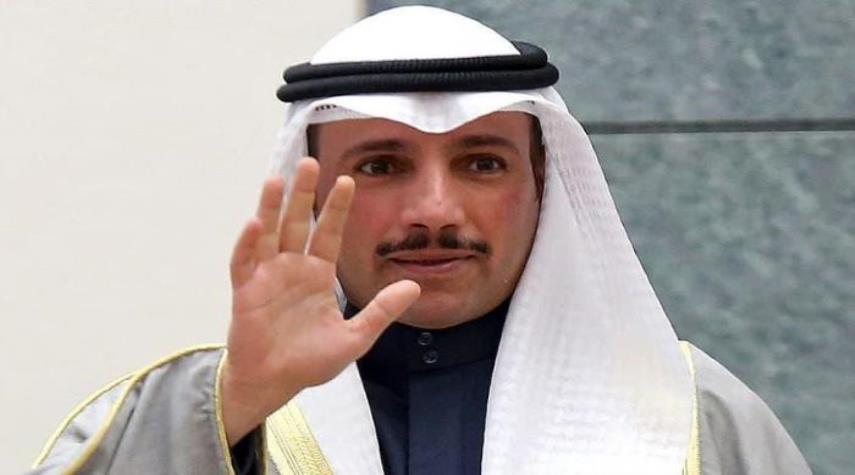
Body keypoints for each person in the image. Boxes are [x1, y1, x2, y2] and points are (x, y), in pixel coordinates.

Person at [28, 6, 810, 475]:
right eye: (380, 165)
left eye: (481, 162)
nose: (434, 208)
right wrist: (239, 406)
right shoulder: (220, 413)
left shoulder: (692, 415)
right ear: (312, 187)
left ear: (541, 182)